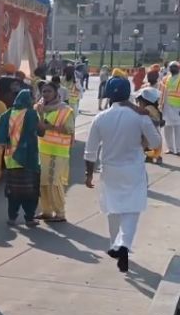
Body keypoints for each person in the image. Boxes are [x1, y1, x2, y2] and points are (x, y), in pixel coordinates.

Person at [84, 77, 162, 272]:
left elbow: (90, 150)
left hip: (110, 169)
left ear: (108, 95)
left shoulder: (100, 118)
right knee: (131, 209)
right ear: (129, 94)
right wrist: (143, 141)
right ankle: (124, 245)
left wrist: (88, 174)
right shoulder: (140, 116)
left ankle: (114, 245)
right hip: (133, 169)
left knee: (113, 208)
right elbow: (155, 143)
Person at [0, 90, 43, 227]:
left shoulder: (7, 114)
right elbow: (41, 131)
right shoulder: (31, 113)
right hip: (28, 158)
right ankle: (29, 218)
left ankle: (12, 217)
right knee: (30, 191)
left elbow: (0, 138)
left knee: (13, 191)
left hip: (11, 158)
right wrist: (40, 114)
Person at [35, 81, 75, 223]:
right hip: (43, 149)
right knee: (43, 181)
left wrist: (50, 127)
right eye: (44, 91)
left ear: (56, 93)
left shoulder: (65, 109)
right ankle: (46, 211)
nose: (45, 94)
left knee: (54, 182)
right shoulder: (40, 108)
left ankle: (60, 213)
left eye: (49, 91)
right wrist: (40, 115)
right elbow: (39, 129)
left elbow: (68, 129)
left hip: (58, 151)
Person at [136, 87, 163, 164]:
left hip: (151, 130)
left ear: (145, 101)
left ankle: (157, 157)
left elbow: (141, 113)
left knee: (149, 144)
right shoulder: (153, 107)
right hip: (154, 129)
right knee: (151, 145)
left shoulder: (148, 108)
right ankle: (150, 157)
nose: (139, 104)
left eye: (140, 102)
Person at [159, 61, 180, 155]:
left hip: (177, 107)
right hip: (167, 106)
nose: (172, 68)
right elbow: (163, 92)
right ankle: (170, 148)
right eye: (171, 67)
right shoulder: (166, 78)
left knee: (177, 128)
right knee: (167, 128)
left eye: (174, 67)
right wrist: (161, 105)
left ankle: (178, 149)